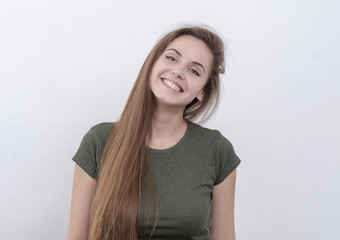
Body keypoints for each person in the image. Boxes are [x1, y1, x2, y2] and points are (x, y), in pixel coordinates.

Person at [67, 25, 241, 240]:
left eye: (194, 71)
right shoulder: (99, 141)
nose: (178, 71)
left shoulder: (216, 150)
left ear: (202, 92)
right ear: (152, 63)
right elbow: (77, 236)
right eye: (171, 58)